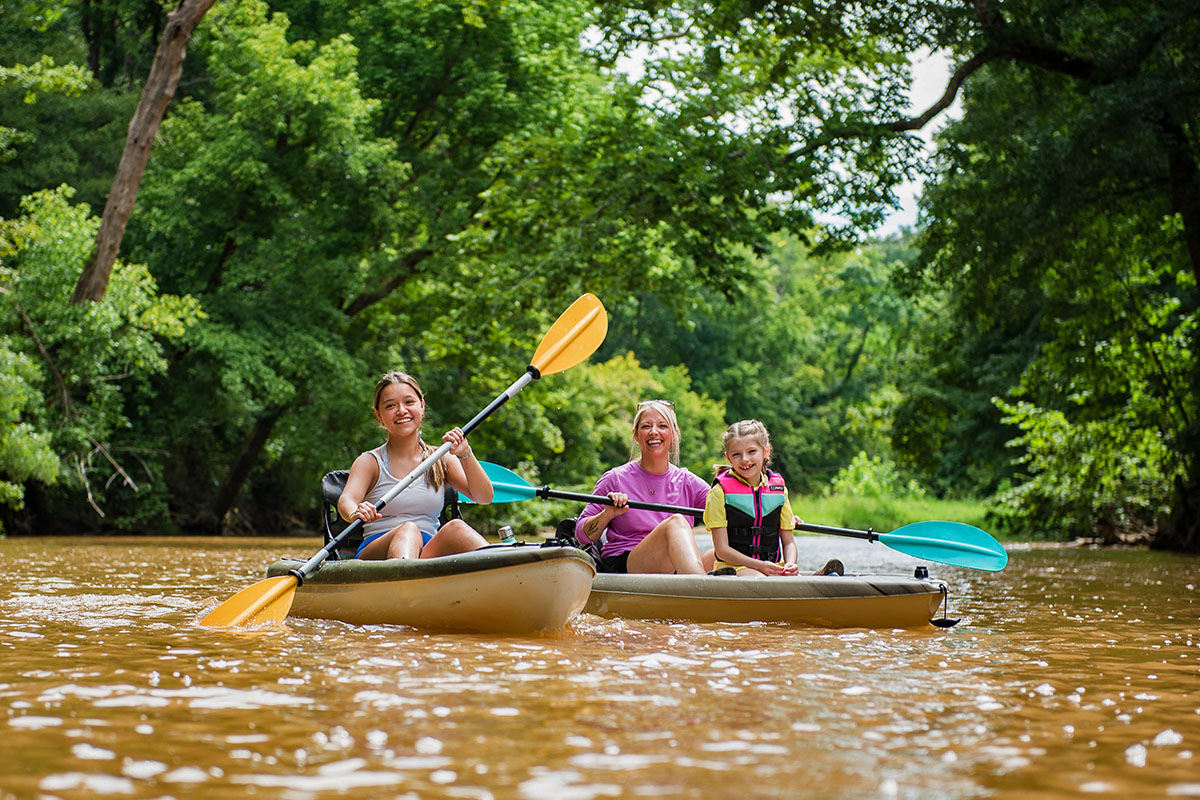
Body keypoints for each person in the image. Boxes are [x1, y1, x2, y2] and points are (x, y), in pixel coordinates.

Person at [338, 370, 493, 560]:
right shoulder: (369, 462)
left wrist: (466, 454)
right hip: (377, 555)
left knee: (456, 527)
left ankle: (507, 574)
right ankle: (405, 583)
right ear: (379, 415)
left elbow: (484, 497)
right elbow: (346, 500)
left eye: (409, 402)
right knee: (408, 530)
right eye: (390, 406)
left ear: (422, 406)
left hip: (427, 554)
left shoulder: (442, 457)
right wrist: (355, 512)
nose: (401, 410)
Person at [575, 400, 713, 574]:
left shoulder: (688, 481)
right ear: (636, 435)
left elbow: (725, 509)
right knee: (676, 522)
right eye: (646, 426)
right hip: (627, 563)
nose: (654, 432)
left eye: (662, 426)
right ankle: (700, 591)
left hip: (672, 565)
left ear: (674, 434)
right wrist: (607, 514)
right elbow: (581, 535)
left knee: (728, 554)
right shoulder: (615, 478)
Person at [703, 419, 842, 577]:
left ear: (766, 451)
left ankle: (818, 579)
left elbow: (788, 542)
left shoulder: (779, 489)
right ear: (728, 458)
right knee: (762, 580)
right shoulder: (719, 492)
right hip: (735, 568)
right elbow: (722, 550)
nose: (744, 459)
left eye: (752, 451)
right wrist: (760, 566)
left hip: (772, 567)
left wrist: (790, 563)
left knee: (783, 579)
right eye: (737, 454)